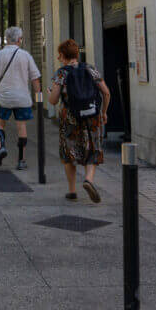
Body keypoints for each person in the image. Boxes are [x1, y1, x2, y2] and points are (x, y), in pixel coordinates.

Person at [48, 39, 111, 203]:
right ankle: (89, 179)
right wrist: (103, 112)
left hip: (70, 117)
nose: (58, 58)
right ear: (77, 54)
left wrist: (50, 92)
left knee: (69, 152)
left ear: (62, 55)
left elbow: (53, 101)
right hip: (92, 115)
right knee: (92, 148)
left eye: (59, 55)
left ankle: (72, 191)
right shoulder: (91, 69)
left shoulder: (61, 73)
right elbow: (106, 93)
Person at [0, 26, 41, 171]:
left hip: (4, 97)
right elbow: (35, 79)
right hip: (22, 98)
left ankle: (1, 147)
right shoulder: (26, 55)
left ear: (6, 39)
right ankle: (21, 160)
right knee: (21, 127)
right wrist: (39, 99)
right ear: (19, 40)